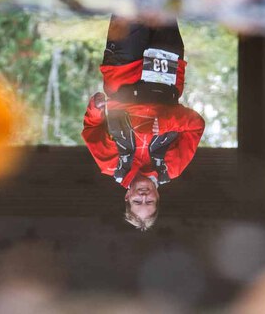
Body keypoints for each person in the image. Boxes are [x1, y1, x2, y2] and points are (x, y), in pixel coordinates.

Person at [81, 17, 206, 231]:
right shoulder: (172, 168)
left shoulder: (109, 164)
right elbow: (196, 125)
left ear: (127, 197)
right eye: (149, 201)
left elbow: (91, 127)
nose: (143, 196)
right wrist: (168, 123)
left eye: (138, 202)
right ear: (158, 196)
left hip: (123, 70)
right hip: (167, 74)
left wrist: (95, 106)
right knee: (163, 3)